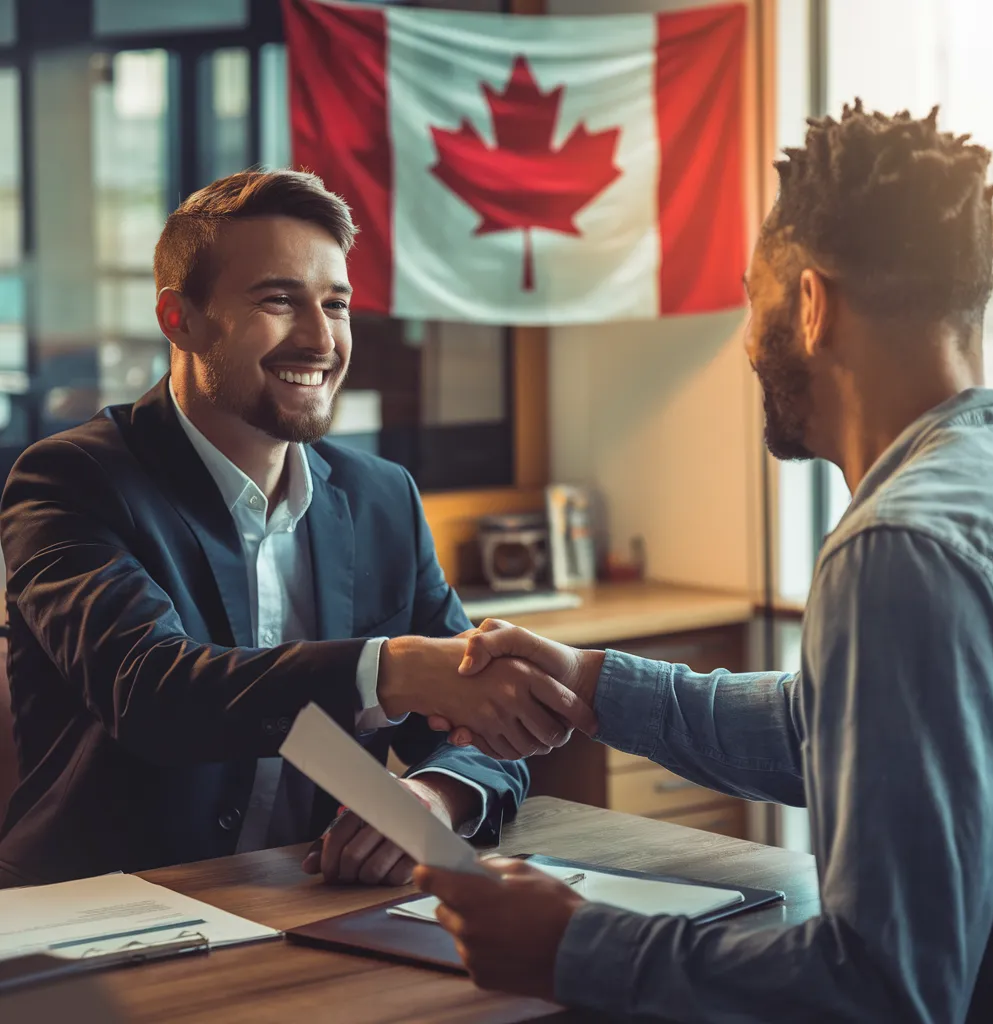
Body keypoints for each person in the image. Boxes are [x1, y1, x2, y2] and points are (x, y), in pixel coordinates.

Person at [416, 102, 993, 1023]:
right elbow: (842, 727)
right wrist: (593, 684)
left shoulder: (897, 548)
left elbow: (885, 989)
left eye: (754, 295)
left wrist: (577, 945)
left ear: (812, 306)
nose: (747, 338)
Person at [0, 169, 594, 888]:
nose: (320, 338)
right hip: (111, 921)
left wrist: (429, 800)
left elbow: (476, 730)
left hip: (313, 904)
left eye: (336, 304)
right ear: (178, 317)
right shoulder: (71, 479)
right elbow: (151, 694)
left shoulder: (382, 498)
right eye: (278, 300)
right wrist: (393, 669)